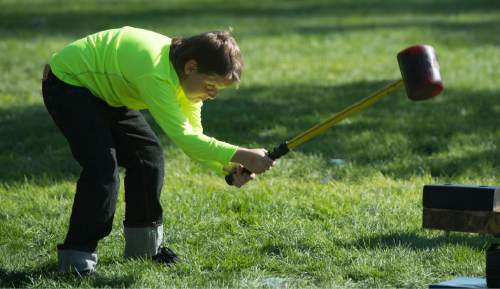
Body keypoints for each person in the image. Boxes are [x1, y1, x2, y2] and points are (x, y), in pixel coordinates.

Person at [41, 26, 275, 275]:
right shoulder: (156, 72)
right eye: (210, 86)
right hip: (68, 84)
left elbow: (194, 137)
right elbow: (185, 138)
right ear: (191, 67)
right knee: (102, 170)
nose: (213, 95)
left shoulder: (184, 79)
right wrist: (244, 154)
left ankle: (145, 249)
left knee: (148, 158)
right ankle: (76, 262)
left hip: (108, 94)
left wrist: (228, 168)